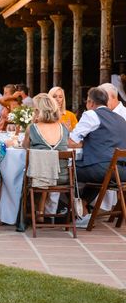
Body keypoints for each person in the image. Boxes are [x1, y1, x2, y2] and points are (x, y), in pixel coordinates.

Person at [69, 87, 126, 227]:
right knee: (96, 172)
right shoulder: (120, 118)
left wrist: (82, 142)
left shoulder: (91, 115)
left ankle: (75, 213)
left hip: (104, 170)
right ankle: (82, 203)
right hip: (122, 172)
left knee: (67, 170)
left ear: (90, 102)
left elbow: (72, 141)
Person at [22, 93, 70, 220]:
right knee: (46, 166)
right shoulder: (64, 128)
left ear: (37, 111)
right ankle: (41, 211)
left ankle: (33, 211)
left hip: (39, 177)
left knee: (37, 169)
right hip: (62, 177)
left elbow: (25, 148)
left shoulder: (32, 128)